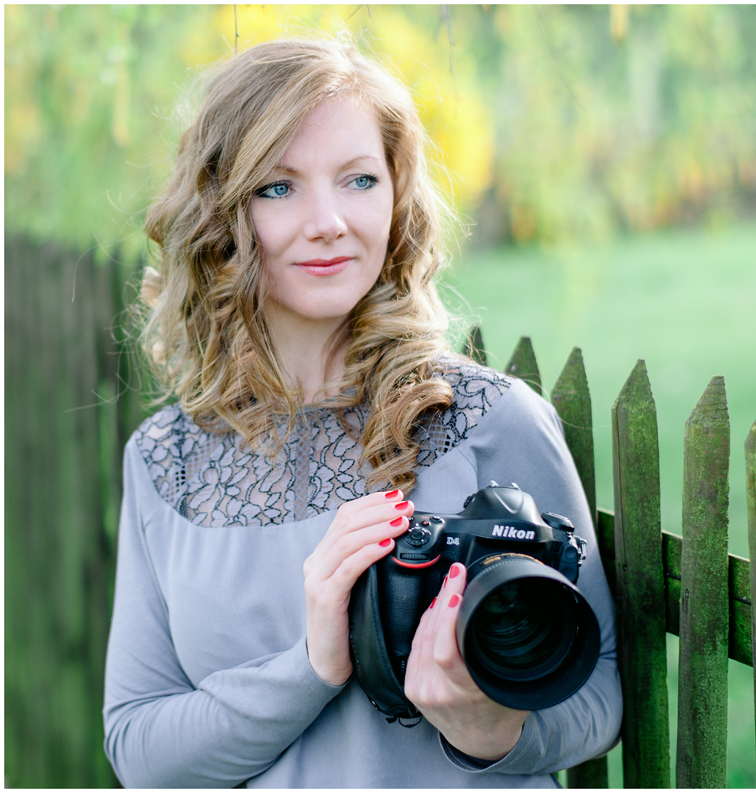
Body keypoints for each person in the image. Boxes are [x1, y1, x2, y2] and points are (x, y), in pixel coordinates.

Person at [102, 37, 621, 787]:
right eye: (278, 188)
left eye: (358, 180)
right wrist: (311, 665)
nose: (329, 222)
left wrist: (488, 728)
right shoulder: (164, 460)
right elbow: (141, 749)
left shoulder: (491, 423)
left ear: (396, 196)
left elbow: (600, 687)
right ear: (219, 214)